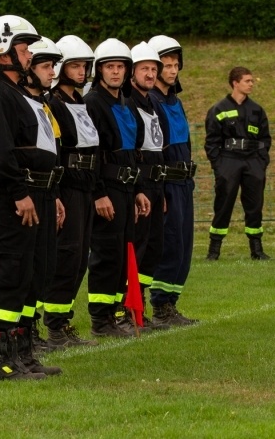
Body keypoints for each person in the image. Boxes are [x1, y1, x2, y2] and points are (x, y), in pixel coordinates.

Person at [0, 15, 61, 380]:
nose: (28, 57)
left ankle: (24, 354)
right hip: (9, 195)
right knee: (10, 274)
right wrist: (21, 193)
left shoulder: (15, 93)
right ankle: (3, 360)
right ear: (2, 54)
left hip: (34, 192)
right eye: (23, 50)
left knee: (32, 274)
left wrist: (47, 192)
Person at [84, 38, 151, 337]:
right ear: (99, 71)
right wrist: (99, 193)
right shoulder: (93, 103)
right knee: (105, 255)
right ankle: (100, 319)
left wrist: (137, 189)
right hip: (107, 188)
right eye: (109, 67)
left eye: (120, 67)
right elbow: (93, 153)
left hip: (126, 188)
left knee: (124, 255)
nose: (115, 72)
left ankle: (114, 314)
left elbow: (133, 153)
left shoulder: (126, 104)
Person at [43, 35, 100, 349]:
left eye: (84, 65)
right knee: (67, 254)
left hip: (86, 184)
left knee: (80, 258)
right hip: (68, 185)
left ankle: (62, 320)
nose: (81, 71)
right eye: (75, 65)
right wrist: (59, 194)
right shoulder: (53, 102)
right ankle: (53, 324)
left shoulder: (80, 100)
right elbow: (57, 148)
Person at [16, 37, 67, 358]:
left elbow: (55, 150)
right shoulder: (19, 102)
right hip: (28, 193)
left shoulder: (45, 104)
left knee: (45, 264)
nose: (52, 73)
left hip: (49, 192)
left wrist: (56, 194)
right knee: (28, 265)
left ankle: (30, 327)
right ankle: (23, 330)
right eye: (46, 66)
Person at [147, 35, 198, 326]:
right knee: (169, 243)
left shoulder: (175, 101)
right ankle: (160, 305)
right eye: (166, 65)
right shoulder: (151, 101)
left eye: (175, 65)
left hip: (183, 183)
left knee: (183, 245)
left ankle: (171, 303)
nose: (171, 70)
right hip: (166, 184)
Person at [120, 41, 167, 332]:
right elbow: (131, 149)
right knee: (136, 247)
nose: (150, 74)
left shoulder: (153, 103)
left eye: (153, 69)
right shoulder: (127, 103)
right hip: (140, 181)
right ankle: (127, 308)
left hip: (156, 183)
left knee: (153, 248)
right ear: (132, 73)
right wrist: (139, 188)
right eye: (144, 69)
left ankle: (142, 305)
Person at [204, 67, 272, 261]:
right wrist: (219, 166)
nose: (251, 84)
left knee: (254, 204)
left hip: (253, 161)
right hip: (229, 160)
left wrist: (261, 162)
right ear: (235, 83)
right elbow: (211, 142)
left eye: (252, 81)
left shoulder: (257, 110)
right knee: (223, 204)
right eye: (247, 81)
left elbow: (265, 139)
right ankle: (214, 249)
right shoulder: (219, 109)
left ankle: (256, 249)